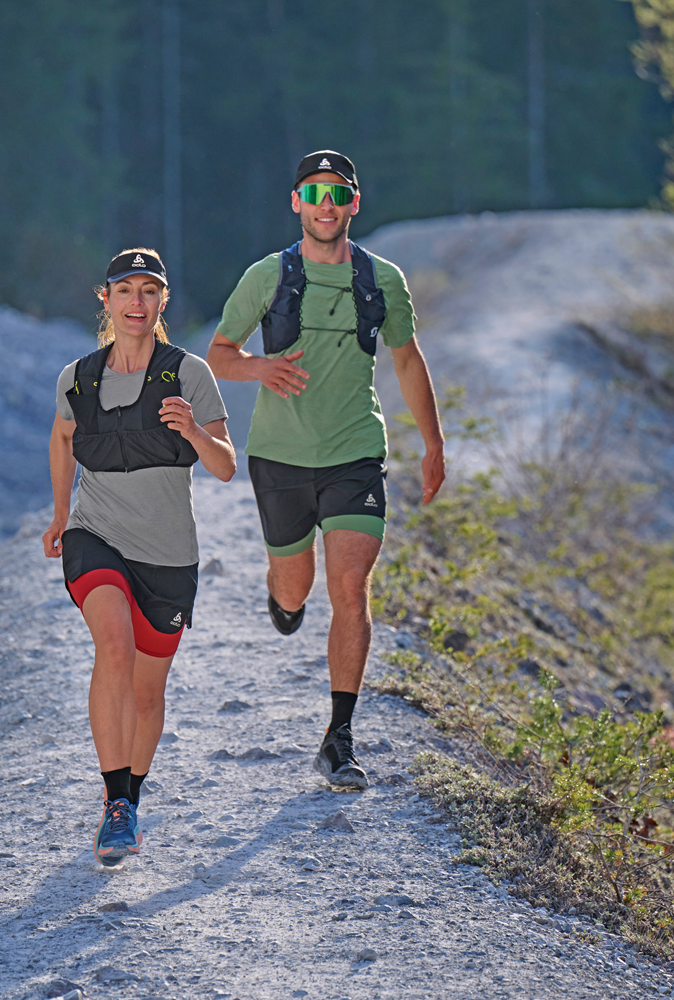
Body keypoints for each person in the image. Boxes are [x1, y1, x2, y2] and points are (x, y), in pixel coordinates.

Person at [206, 150, 445, 790]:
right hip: (280, 457)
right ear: (297, 205)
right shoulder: (268, 276)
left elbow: (407, 360)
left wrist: (434, 444)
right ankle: (282, 598)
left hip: (354, 453)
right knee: (296, 588)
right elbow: (220, 355)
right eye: (313, 195)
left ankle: (339, 738)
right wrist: (260, 367)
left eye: (337, 194)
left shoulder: (381, 280)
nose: (326, 206)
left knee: (350, 587)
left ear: (354, 204)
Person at [44, 248, 235, 866]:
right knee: (115, 650)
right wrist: (58, 516)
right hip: (95, 535)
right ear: (106, 300)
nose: (136, 303)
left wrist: (195, 432)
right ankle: (116, 802)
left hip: (169, 558)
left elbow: (228, 467)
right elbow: (63, 436)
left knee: (149, 694)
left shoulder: (189, 374)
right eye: (125, 291)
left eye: (148, 292)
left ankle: (132, 796)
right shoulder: (77, 377)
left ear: (162, 303)